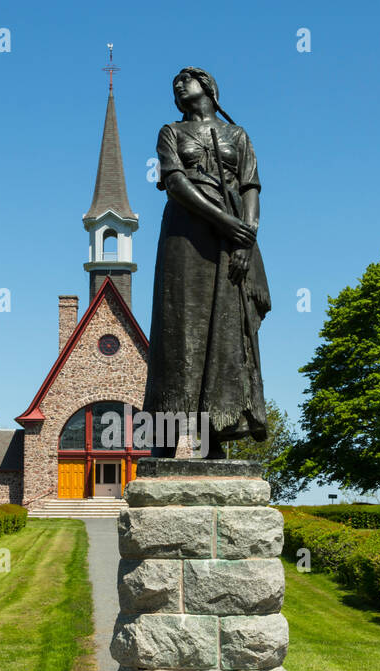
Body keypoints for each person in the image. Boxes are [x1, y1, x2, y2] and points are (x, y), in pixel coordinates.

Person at [144, 67, 271, 458]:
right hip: (186, 237)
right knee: (178, 332)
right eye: (175, 83)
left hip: (229, 242)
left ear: (209, 88)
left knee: (225, 332)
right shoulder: (171, 132)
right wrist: (227, 223)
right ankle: (165, 441)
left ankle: (213, 437)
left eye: (187, 78)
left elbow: (250, 186)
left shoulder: (238, 136)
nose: (179, 84)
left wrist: (244, 241)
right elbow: (177, 183)